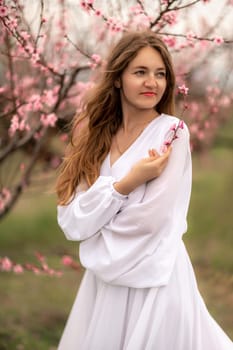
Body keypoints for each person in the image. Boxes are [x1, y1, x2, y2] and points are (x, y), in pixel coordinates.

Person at [55, 31, 233, 350]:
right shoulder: (95, 136)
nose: (153, 82)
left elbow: (149, 221)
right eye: (140, 72)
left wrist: (97, 218)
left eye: (160, 73)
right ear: (119, 78)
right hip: (105, 284)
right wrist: (128, 183)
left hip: (154, 276)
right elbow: (71, 220)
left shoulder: (171, 133)